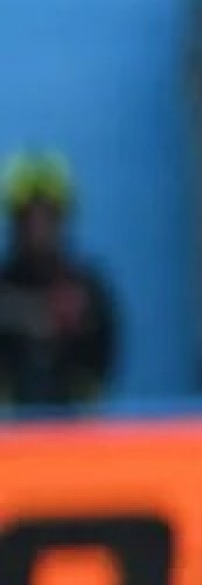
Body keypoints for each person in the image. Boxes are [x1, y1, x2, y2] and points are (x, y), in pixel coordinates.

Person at [0, 150, 120, 414]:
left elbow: (105, 362)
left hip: (74, 436)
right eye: (28, 217)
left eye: (48, 216)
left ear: (63, 218)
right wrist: (23, 316)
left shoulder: (89, 288)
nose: (38, 229)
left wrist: (74, 324)